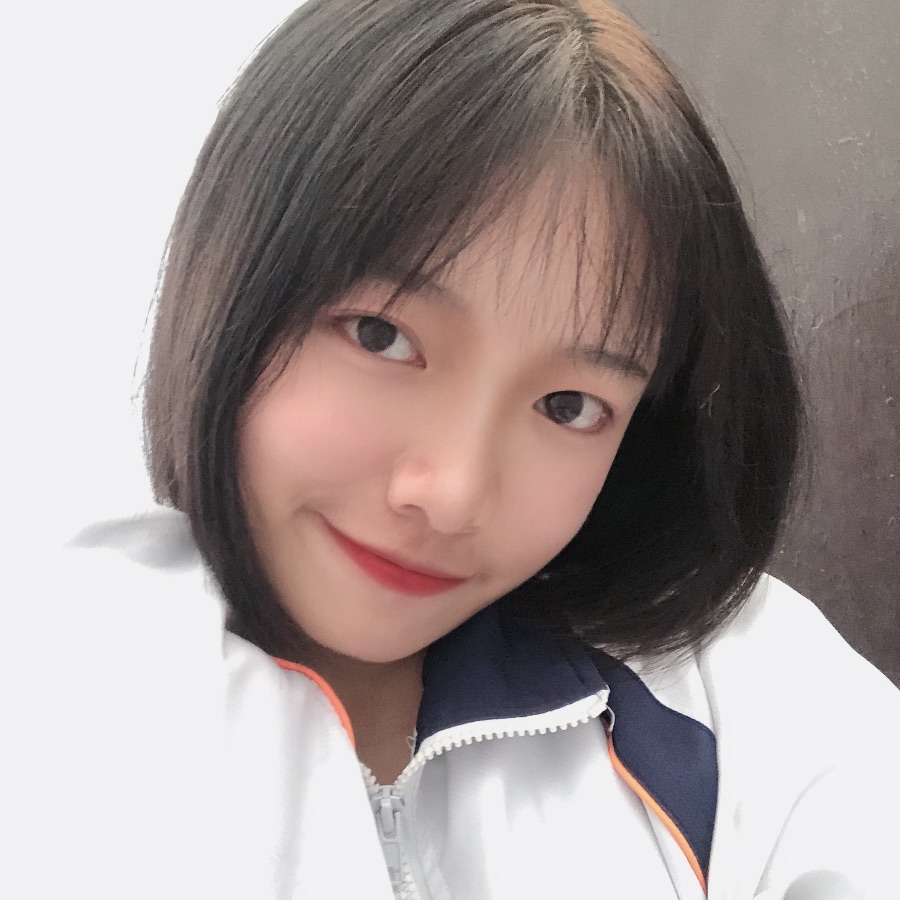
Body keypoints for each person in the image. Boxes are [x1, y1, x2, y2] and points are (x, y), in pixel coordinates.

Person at [7, 1, 899, 898]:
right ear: (233, 277)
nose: (453, 493)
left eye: (568, 406)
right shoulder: (59, 663)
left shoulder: (739, 690)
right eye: (381, 336)